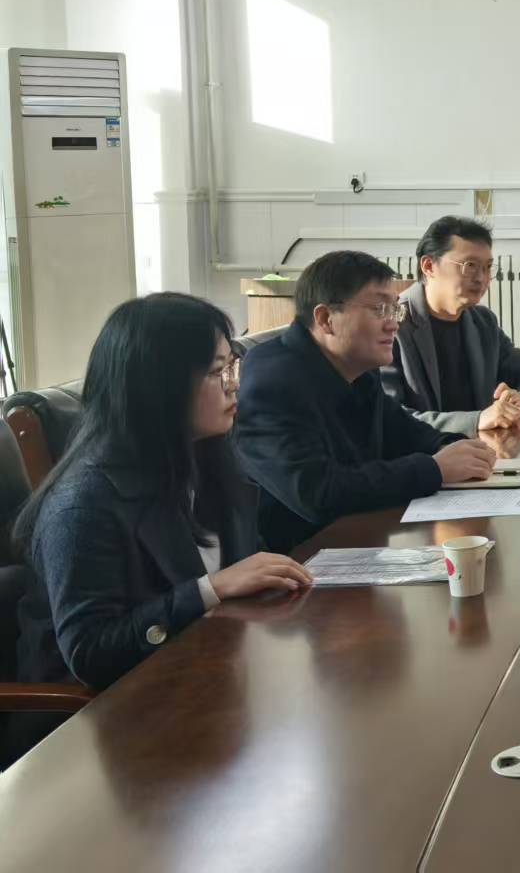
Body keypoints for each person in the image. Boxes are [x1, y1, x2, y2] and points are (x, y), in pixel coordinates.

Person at [13, 294, 313, 696]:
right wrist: (211, 589)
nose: (234, 385)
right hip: (106, 711)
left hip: (207, 674)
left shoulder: (208, 455)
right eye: (217, 371)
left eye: (233, 366)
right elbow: (91, 653)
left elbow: (247, 567)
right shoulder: (83, 503)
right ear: (160, 387)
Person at [235, 251, 499, 552]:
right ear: (325, 319)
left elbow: (405, 433)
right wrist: (434, 469)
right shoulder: (271, 382)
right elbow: (317, 493)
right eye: (379, 309)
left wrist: (456, 448)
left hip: (354, 544)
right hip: (295, 563)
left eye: (394, 310)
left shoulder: (357, 369)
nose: (393, 324)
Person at [381, 216, 520, 435]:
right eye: (470, 266)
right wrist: (476, 420)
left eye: (488, 267)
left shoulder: (482, 321)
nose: (481, 278)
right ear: (429, 266)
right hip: (424, 454)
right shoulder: (391, 325)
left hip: (481, 449)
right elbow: (390, 418)